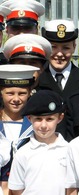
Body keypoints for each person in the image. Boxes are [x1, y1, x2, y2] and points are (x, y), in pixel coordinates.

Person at [37, 19, 79, 140]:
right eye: (53, 47)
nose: (59, 54)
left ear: (74, 47)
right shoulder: (37, 80)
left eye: (66, 48)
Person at [8, 90, 67, 195]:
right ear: (29, 118)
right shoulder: (22, 153)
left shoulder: (69, 150)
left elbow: (72, 187)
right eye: (38, 119)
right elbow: (17, 189)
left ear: (60, 118)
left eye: (49, 119)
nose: (43, 125)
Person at [0, 65, 39, 195]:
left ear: (29, 93)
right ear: (1, 93)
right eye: (10, 93)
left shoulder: (37, 126)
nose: (16, 99)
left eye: (22, 93)